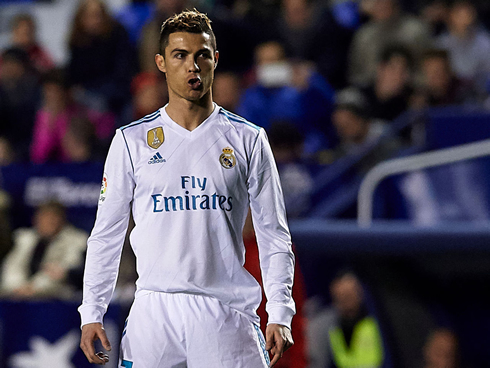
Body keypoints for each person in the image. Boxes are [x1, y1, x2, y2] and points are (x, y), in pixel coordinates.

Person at [79, 9, 295, 367]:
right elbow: (106, 234)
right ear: (161, 62)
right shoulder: (132, 141)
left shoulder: (248, 139)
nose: (192, 66)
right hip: (153, 312)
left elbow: (274, 234)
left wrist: (280, 312)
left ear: (215, 60)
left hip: (226, 314)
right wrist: (92, 311)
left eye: (202, 55)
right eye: (180, 55)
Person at [0, 201, 87, 298]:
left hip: (55, 300)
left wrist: (33, 289)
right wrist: (18, 287)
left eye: (53, 218)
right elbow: (12, 266)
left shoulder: (77, 240)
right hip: (17, 296)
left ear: (62, 220)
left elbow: (63, 270)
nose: (48, 222)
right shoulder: (24, 237)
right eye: (44, 218)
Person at [307, 271, 384, 368]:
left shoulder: (377, 322)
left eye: (348, 296)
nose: (345, 303)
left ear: (360, 293)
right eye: (340, 298)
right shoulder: (332, 328)